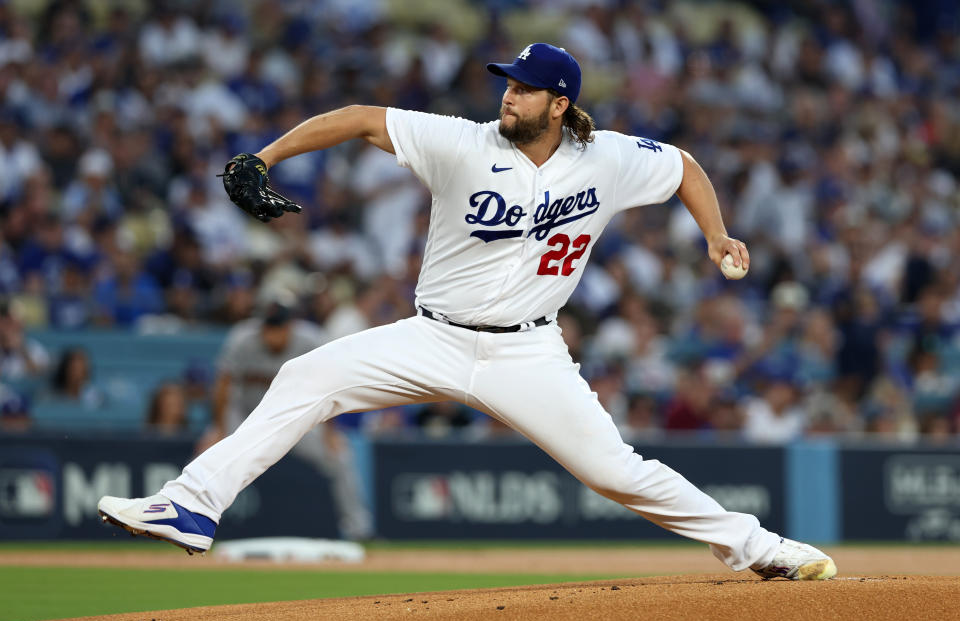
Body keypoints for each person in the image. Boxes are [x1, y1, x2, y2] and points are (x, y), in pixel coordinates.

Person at [99, 43, 836, 580]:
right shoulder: (460, 142)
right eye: (506, 84)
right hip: (433, 336)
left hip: (529, 354)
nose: (507, 96)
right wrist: (262, 158)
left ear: (560, 104)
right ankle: (189, 506)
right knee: (304, 377)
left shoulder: (608, 157)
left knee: (617, 472)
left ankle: (757, 547)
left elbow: (683, 166)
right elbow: (359, 117)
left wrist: (715, 233)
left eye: (523, 88)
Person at [194, 297, 373, 541]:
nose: (272, 335)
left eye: (278, 328)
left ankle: (359, 530)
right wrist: (218, 429)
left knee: (340, 457)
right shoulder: (243, 338)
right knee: (207, 456)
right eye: (268, 328)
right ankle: (191, 522)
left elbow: (330, 385)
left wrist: (331, 433)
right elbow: (223, 386)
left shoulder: (310, 340)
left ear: (291, 325)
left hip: (294, 418)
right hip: (248, 416)